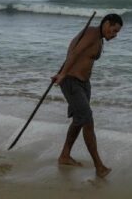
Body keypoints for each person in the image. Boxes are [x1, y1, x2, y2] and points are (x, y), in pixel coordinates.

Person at [52, 13, 123, 178]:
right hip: (71, 81)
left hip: (84, 84)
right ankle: (99, 166)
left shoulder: (98, 38)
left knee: (79, 120)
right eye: (113, 30)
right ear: (106, 24)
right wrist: (62, 74)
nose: (114, 35)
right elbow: (74, 53)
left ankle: (64, 155)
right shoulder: (92, 33)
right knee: (87, 120)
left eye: (117, 32)